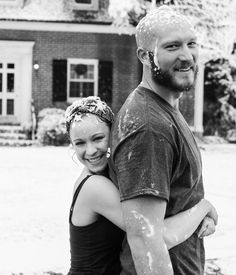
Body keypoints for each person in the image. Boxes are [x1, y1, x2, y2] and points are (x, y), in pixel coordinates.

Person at [110, 5, 218, 275]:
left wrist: (199, 210)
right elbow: (145, 237)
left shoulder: (165, 111)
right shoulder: (148, 125)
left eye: (191, 44)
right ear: (145, 57)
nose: (187, 56)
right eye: (172, 47)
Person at [65, 96, 217, 275]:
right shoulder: (95, 186)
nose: (90, 151)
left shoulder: (109, 174)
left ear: (113, 134)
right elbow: (154, 238)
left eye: (98, 138)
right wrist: (203, 208)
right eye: (80, 143)